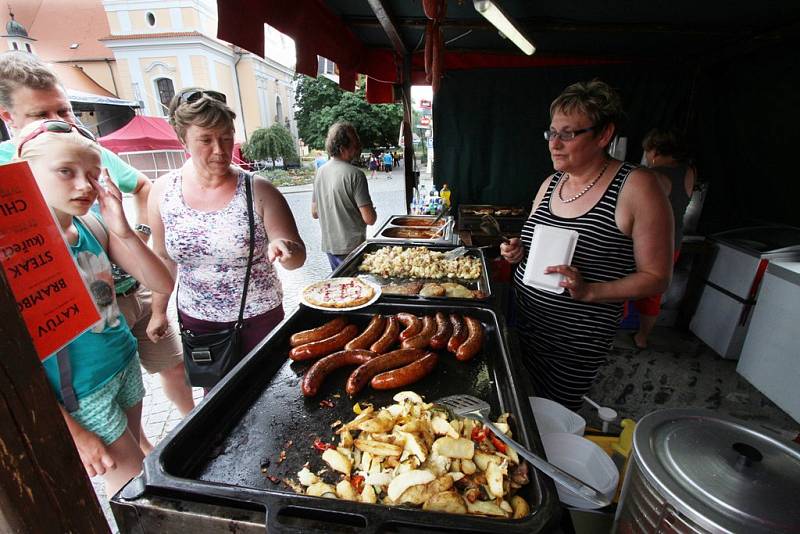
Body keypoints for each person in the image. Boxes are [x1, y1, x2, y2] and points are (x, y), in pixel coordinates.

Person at [0, 51, 194, 421]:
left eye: (64, 111)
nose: (60, 125)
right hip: (79, 377)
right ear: (9, 119)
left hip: (117, 321)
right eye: (42, 115)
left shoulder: (87, 157)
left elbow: (140, 186)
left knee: (161, 386)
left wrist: (128, 231)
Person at [14, 119, 174, 496]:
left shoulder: (92, 225)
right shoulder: (16, 257)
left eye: (91, 174)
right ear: (25, 175)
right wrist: (75, 432)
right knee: (138, 495)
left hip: (123, 363)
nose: (84, 186)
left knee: (136, 479)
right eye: (65, 172)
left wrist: (120, 229)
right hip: (81, 392)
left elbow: (161, 283)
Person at [500, 80, 673, 411]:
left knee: (552, 418)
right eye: (552, 133)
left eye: (568, 134)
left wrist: (589, 290)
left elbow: (657, 276)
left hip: (575, 343)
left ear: (604, 135)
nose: (555, 144)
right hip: (527, 326)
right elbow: (533, 243)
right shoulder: (551, 184)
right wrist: (518, 252)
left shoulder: (637, 186)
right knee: (521, 406)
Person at [149, 88, 305, 386]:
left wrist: (286, 248)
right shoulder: (162, 191)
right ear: (183, 140)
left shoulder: (258, 190)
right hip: (199, 322)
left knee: (267, 395)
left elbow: (297, 259)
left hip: (258, 318)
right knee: (217, 402)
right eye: (206, 140)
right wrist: (158, 311)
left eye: (226, 137)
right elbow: (163, 258)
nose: (220, 150)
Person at [632, 128, 696, 349]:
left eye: (648, 151)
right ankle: (642, 337)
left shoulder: (653, 176)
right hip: (673, 243)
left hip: (645, 245)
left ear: (655, 152)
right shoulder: (689, 172)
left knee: (620, 289)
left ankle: (608, 336)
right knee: (653, 295)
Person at [311, 122, 377, 271]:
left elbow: (314, 212)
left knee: (340, 288)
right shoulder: (356, 175)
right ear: (342, 148)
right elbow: (370, 219)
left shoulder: (320, 172)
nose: (358, 148)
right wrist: (370, 209)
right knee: (355, 289)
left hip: (329, 247)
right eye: (355, 145)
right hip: (351, 248)